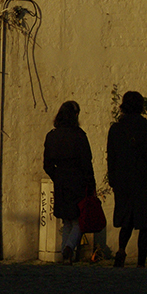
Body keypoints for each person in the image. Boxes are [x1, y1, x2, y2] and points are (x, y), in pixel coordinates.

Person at [106, 91, 147, 268]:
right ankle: (141, 262)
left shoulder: (116, 129)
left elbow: (112, 157)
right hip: (144, 181)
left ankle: (122, 250)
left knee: (127, 220)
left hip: (123, 181)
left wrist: (113, 180)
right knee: (145, 223)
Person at [43, 100, 96, 264]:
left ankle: (66, 252)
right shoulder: (79, 135)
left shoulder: (52, 136)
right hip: (78, 180)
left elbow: (47, 164)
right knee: (79, 219)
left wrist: (57, 176)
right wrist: (91, 184)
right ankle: (69, 247)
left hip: (61, 181)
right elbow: (87, 162)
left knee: (66, 220)